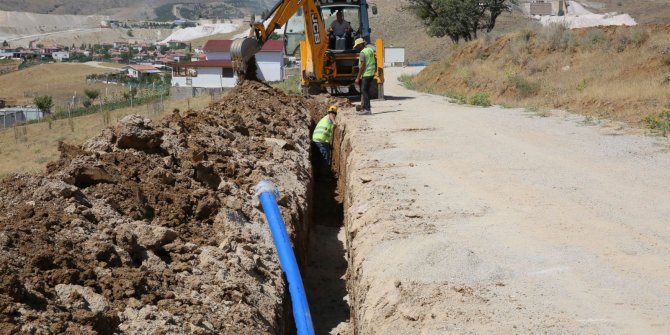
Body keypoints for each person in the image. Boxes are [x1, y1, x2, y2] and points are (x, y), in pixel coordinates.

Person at [312, 105, 337, 180]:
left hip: (316, 140)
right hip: (321, 141)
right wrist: (334, 122)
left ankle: (318, 174)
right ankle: (323, 176)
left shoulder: (324, 119)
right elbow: (331, 114)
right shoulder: (330, 116)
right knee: (325, 158)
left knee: (318, 158)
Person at [354, 38, 375, 115]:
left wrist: (358, 77)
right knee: (366, 91)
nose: (356, 48)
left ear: (360, 45)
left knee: (364, 91)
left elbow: (363, 66)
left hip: (366, 74)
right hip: (371, 73)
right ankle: (364, 107)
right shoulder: (370, 50)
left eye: (357, 46)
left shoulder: (362, 53)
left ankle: (367, 109)